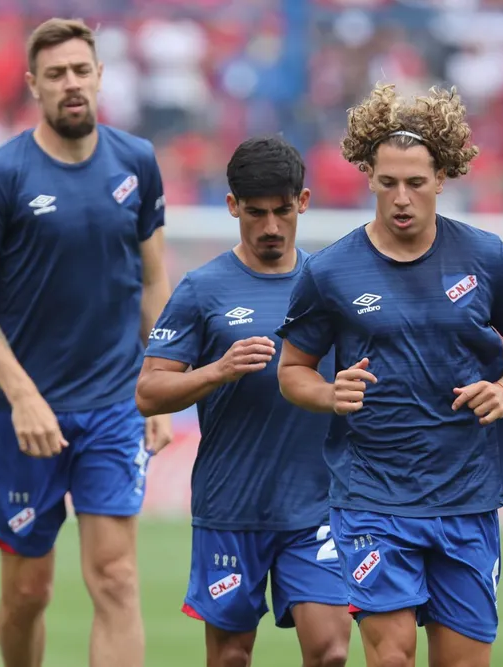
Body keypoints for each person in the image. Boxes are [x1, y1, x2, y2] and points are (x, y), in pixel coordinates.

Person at [275, 83, 503, 667]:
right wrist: (329, 393)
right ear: (368, 176)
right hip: (373, 498)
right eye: (388, 182)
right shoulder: (330, 271)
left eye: (416, 183)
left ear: (441, 179)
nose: (401, 197)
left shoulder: (485, 255)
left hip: (467, 497)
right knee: (392, 657)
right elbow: (291, 370)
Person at [0, 18, 173, 667]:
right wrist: (22, 395)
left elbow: (155, 278)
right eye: (56, 75)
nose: (71, 84)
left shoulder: (136, 162)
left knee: (117, 578)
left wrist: (158, 384)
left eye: (80, 70)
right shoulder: (0, 175)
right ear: (33, 86)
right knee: (26, 592)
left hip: (113, 404)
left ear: (99, 76)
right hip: (23, 413)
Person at [135, 136, 351, 667]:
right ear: (233, 207)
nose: (271, 227)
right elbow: (148, 392)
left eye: (282, 211)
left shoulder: (332, 285)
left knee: (330, 653)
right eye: (256, 213)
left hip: (318, 506)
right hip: (231, 506)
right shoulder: (201, 289)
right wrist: (217, 370)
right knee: (231, 657)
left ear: (302, 202)